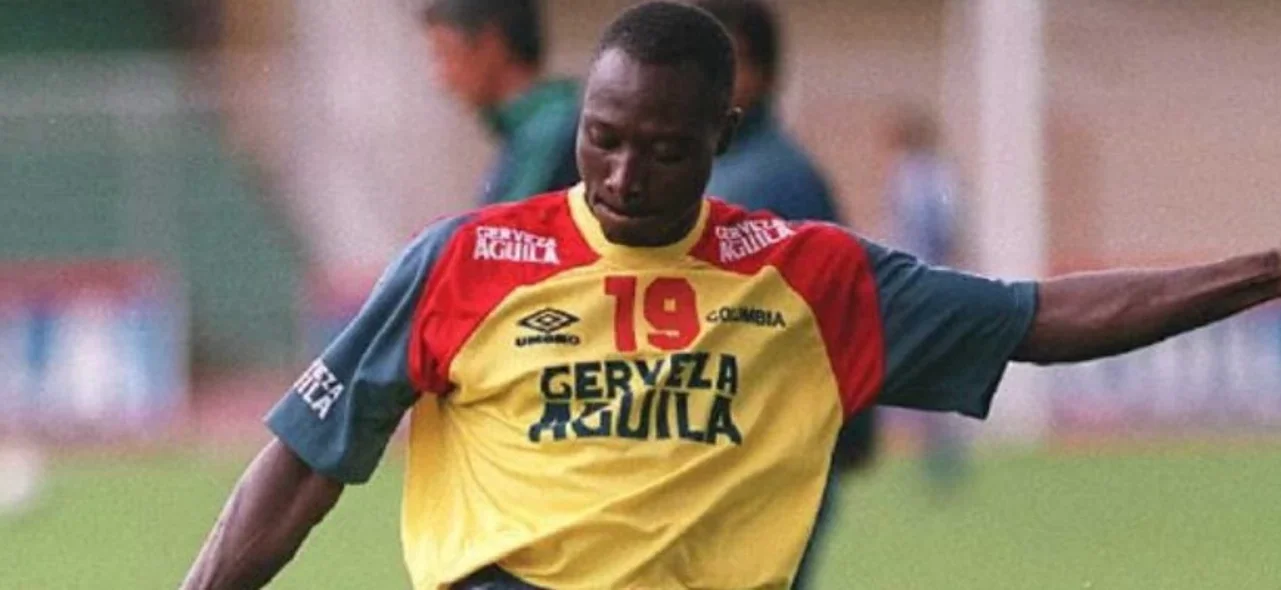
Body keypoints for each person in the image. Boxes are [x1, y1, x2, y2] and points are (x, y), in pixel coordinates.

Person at [182, 3, 1281, 589]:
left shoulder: (808, 274)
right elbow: (307, 452)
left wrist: (1263, 268)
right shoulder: (466, 259)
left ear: (722, 138)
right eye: (601, 141)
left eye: (661, 151)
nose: (620, 176)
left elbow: (1042, 317)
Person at [691, 1, 872, 587]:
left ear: (761, 73)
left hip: (758, 463)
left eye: (723, 62)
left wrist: (851, 430)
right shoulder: (711, 171)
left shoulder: (775, 180)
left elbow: (839, 308)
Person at [880, 103, 972, 496]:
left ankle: (940, 457)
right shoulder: (940, 177)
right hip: (933, 281)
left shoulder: (912, 178)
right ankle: (940, 456)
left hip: (918, 284)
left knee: (920, 366)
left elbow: (931, 235)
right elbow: (954, 234)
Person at [421, 0, 580, 205]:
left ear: (490, 45)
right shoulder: (525, 133)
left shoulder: (548, 132)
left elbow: (511, 226)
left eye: (445, 54)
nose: (441, 79)